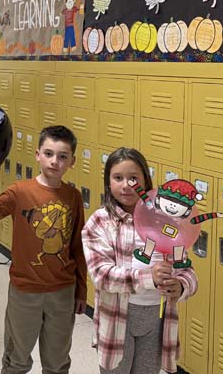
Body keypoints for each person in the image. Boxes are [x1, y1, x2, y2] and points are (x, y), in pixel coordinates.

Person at [0, 125, 87, 374]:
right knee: (16, 360)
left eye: (62, 156)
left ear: (72, 161)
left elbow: (77, 246)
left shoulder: (73, 196)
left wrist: (81, 291)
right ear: (38, 155)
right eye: (49, 154)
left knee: (58, 362)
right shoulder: (19, 191)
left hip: (62, 292)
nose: (55, 161)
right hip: (25, 291)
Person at [82, 148, 198, 374]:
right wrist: (149, 278)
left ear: (146, 180)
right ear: (108, 183)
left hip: (157, 317)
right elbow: (101, 275)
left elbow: (186, 268)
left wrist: (182, 285)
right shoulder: (100, 222)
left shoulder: (165, 220)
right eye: (118, 178)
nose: (126, 185)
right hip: (117, 319)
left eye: (133, 178)